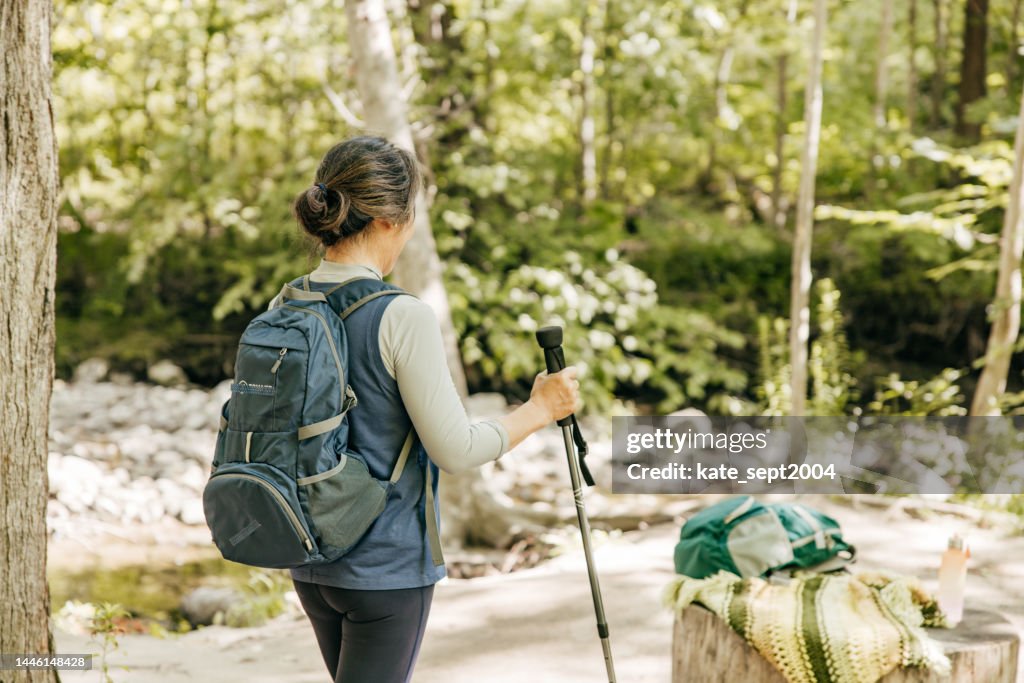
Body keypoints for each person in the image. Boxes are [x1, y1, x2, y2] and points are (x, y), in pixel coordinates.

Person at [287, 135, 581, 683]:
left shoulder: (290, 302)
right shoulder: (401, 315)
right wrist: (541, 408)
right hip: (385, 566)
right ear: (389, 220)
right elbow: (456, 448)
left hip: (308, 560)